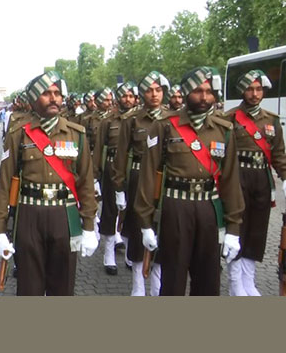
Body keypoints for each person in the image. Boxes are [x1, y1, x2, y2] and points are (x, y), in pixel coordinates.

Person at [135, 67, 245, 296]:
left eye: (208, 91)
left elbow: (231, 180)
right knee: (173, 279)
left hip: (209, 209)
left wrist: (233, 227)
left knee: (208, 280)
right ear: (185, 92)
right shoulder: (164, 126)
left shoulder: (224, 129)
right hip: (176, 209)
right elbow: (148, 175)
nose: (204, 97)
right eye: (197, 91)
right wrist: (145, 223)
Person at [0, 71, 98, 296]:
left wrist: (89, 225)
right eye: (46, 93)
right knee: (29, 286)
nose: (54, 99)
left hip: (65, 215)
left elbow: (86, 182)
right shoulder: (18, 133)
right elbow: (4, 181)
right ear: (33, 99)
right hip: (29, 215)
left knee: (63, 286)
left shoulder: (76, 134)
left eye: (57, 93)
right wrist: (0, 229)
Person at [223, 69, 286, 296]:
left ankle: (249, 280)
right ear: (243, 91)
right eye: (250, 89)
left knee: (257, 229)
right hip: (237, 176)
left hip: (261, 178)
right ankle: (235, 282)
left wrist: (285, 177)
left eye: (259, 89)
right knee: (237, 226)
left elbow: (278, 154)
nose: (255, 93)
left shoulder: (272, 120)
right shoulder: (229, 118)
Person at [111, 71, 170, 296]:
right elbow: (121, 156)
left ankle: (157, 282)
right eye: (149, 90)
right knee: (138, 231)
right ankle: (137, 282)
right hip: (137, 179)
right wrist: (119, 189)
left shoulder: (172, 118)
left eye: (158, 90)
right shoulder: (132, 120)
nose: (154, 94)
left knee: (162, 230)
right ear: (141, 94)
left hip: (163, 181)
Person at [92, 82, 138, 275]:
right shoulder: (108, 121)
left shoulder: (141, 120)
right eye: (124, 96)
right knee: (110, 211)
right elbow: (98, 149)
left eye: (131, 96)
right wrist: (95, 176)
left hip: (134, 169)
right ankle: (109, 254)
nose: (127, 99)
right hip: (111, 168)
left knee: (133, 212)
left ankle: (130, 251)